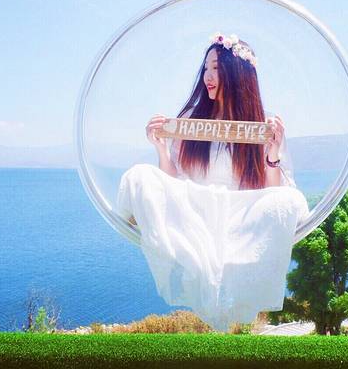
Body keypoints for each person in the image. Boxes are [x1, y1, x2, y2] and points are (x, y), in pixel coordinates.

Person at [114, 32, 310, 331]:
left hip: (241, 216)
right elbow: (174, 181)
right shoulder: (191, 120)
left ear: (239, 74)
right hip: (195, 209)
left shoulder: (263, 125)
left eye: (216, 68)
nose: (208, 76)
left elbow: (272, 193)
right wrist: (162, 150)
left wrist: (272, 153)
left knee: (290, 200)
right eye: (206, 68)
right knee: (139, 176)